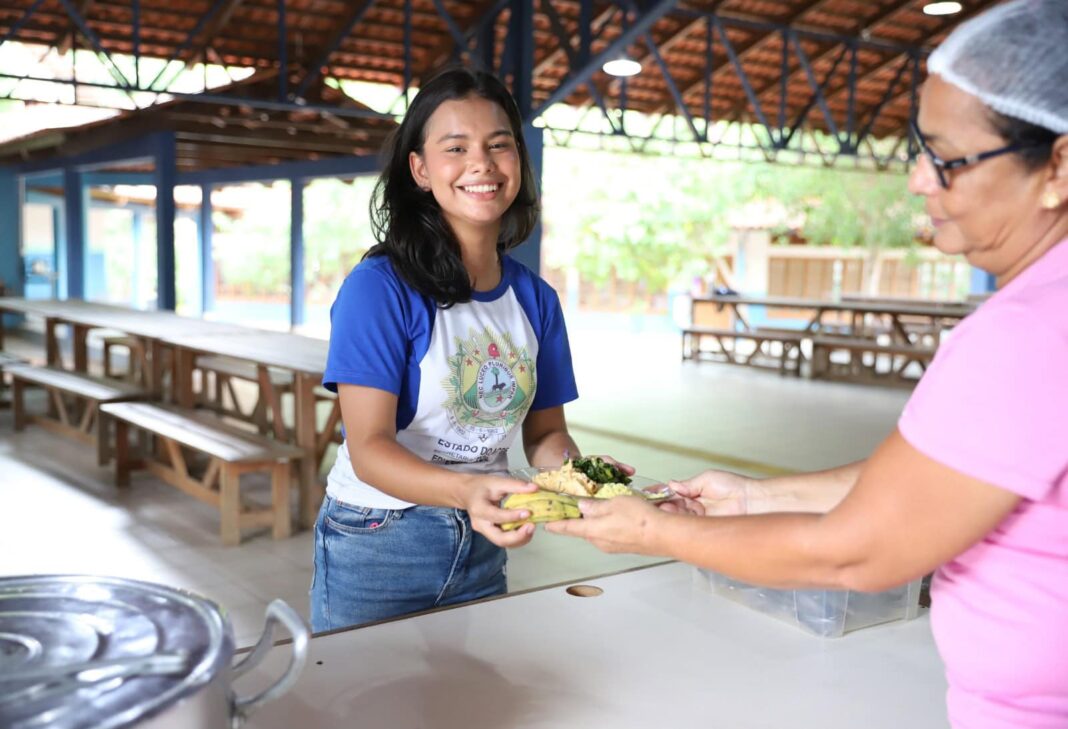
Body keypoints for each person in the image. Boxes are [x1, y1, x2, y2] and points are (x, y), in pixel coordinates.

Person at [546, 2, 1068, 727]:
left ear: (1059, 163)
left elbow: (856, 555)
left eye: (946, 158)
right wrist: (757, 498)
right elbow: (939, 475)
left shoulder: (1029, 331)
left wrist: (653, 531)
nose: (918, 180)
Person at [312, 67, 614, 630]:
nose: (482, 163)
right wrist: (468, 492)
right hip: (380, 538)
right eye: (456, 147)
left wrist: (581, 476)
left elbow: (546, 435)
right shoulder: (380, 288)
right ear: (421, 169)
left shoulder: (536, 300)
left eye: (499, 145)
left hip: (482, 536)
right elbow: (369, 447)